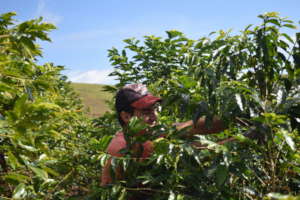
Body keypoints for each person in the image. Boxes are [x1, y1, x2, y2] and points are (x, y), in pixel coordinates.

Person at [100, 83, 226, 187]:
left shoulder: (155, 132)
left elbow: (193, 126)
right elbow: (109, 190)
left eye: (155, 109)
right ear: (126, 116)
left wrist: (232, 119)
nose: (154, 116)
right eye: (146, 111)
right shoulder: (119, 150)